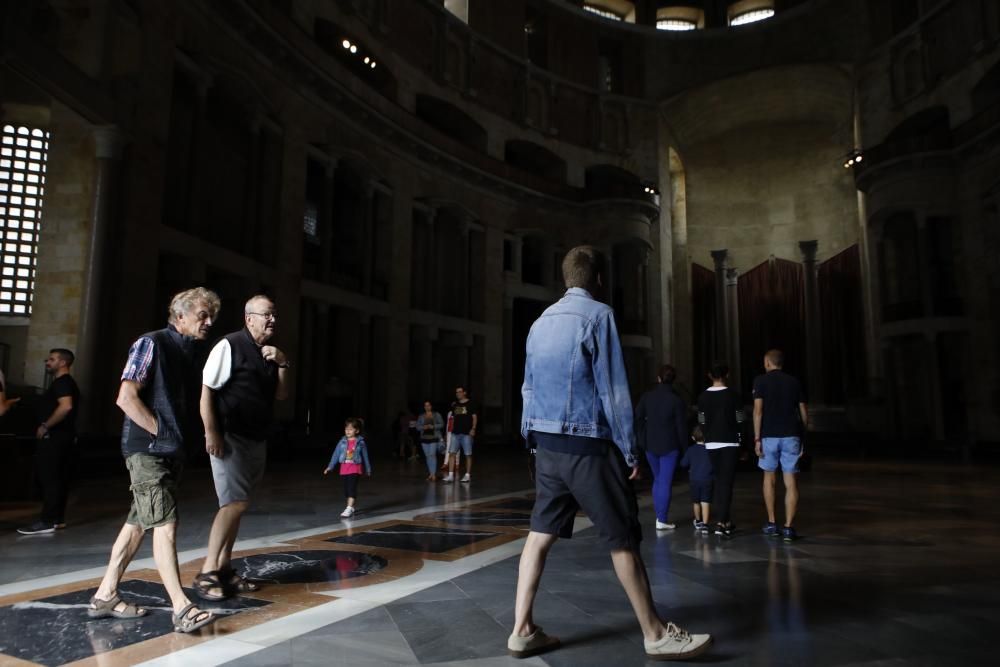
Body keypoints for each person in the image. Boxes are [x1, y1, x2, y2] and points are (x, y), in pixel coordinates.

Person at [511, 245, 711, 661]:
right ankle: (655, 633)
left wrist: (531, 440)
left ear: (566, 279)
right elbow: (613, 390)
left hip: (547, 446)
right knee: (622, 538)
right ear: (599, 280)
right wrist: (629, 451)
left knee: (538, 537)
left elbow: (527, 387)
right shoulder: (599, 315)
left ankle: (522, 630)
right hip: (588, 448)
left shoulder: (539, 322)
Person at [89, 287, 220, 634]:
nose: (209, 322)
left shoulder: (193, 352)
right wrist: (160, 434)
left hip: (169, 452)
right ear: (180, 316)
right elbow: (126, 398)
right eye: (202, 315)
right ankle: (181, 607)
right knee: (165, 523)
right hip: (148, 451)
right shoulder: (151, 343)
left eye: (211, 316)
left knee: (138, 522)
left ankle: (105, 594)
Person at [193, 295, 290, 600]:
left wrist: (284, 363)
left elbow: (282, 396)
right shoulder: (229, 345)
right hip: (230, 436)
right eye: (267, 315)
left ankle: (223, 569)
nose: (272, 320)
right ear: (249, 318)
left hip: (256, 437)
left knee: (240, 505)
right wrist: (212, 433)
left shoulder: (269, 353)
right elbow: (207, 392)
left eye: (274, 315)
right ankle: (208, 571)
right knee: (233, 503)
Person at [17, 349, 80, 535]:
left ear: (63, 363)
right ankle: (57, 519)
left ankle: (47, 520)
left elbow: (66, 406)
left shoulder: (62, 383)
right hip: (63, 438)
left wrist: (46, 426)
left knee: (50, 479)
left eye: (52, 359)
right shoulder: (66, 383)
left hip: (54, 438)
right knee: (58, 479)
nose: (47, 362)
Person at [752, 349, 808, 542]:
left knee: (769, 478)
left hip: (768, 436)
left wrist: (757, 439)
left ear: (768, 363)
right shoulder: (794, 382)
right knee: (790, 481)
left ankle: (772, 522)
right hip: (791, 434)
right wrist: (803, 437)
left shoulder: (760, 381)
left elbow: (758, 411)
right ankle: (788, 527)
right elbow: (803, 413)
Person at [635, 364, 687, 530]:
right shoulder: (676, 400)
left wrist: (642, 439)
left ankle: (660, 517)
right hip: (670, 445)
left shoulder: (647, 397)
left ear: (658, 379)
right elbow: (681, 427)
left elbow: (637, 419)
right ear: (673, 380)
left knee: (658, 480)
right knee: (664, 481)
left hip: (650, 444)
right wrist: (685, 448)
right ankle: (661, 519)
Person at [696, 360, 743, 537]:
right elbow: (740, 420)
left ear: (709, 375)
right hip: (730, 442)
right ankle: (722, 522)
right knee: (726, 483)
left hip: (712, 443)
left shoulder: (703, 397)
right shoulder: (733, 395)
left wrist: (708, 436)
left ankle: (725, 520)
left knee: (720, 481)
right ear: (727, 374)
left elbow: (701, 421)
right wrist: (743, 441)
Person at [324, 417, 372, 517]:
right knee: (346, 490)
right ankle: (351, 506)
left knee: (351, 488)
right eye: (346, 429)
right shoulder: (342, 442)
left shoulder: (360, 443)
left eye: (350, 429)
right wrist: (330, 467)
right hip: (344, 468)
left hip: (355, 468)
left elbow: (366, 456)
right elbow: (336, 454)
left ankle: (349, 508)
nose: (348, 431)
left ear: (357, 430)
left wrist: (368, 469)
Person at [680, 426, 712, 534]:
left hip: (694, 480)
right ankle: (705, 525)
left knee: (696, 502)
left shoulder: (691, 450)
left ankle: (698, 521)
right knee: (705, 501)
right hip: (707, 479)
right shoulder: (710, 450)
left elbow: (683, 463)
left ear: (693, 438)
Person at [443, 386, 477, 483]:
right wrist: (448, 432)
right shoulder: (455, 404)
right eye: (456, 392)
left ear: (464, 393)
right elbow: (452, 419)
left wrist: (473, 428)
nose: (457, 394)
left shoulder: (471, 404)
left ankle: (467, 475)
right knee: (452, 453)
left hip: (467, 433)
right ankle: (450, 475)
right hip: (455, 433)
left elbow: (474, 417)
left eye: (459, 392)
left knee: (468, 454)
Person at [415, 401, 444, 481]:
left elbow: (441, 424)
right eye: (425, 406)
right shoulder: (421, 416)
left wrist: (433, 426)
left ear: (431, 406)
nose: (427, 407)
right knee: (428, 456)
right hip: (424, 438)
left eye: (428, 405)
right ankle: (431, 474)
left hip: (434, 437)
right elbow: (417, 427)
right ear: (424, 407)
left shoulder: (436, 414)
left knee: (432, 455)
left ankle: (433, 474)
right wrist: (423, 427)